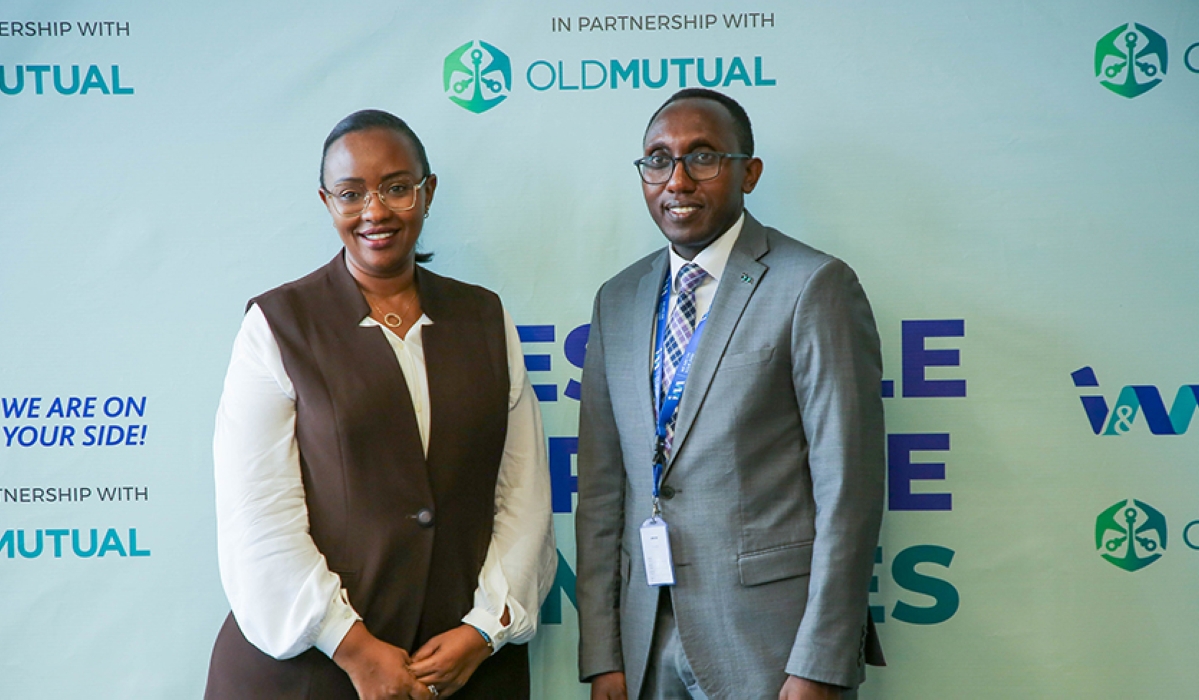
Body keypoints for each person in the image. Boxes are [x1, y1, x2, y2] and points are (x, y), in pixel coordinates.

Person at [204, 109, 556, 700]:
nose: (375, 211)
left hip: (462, 669)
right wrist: (354, 647)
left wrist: (485, 629)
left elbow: (523, 496)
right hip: (313, 670)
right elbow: (257, 517)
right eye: (351, 193)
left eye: (396, 188)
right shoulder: (277, 325)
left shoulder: (485, 318)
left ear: (427, 192)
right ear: (326, 202)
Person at [575, 88, 886, 700]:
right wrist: (603, 653)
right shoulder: (619, 299)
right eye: (658, 160)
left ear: (749, 172)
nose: (677, 180)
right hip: (644, 642)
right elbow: (602, 491)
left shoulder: (812, 286)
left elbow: (848, 488)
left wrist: (820, 661)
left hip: (772, 645)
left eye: (704, 157)